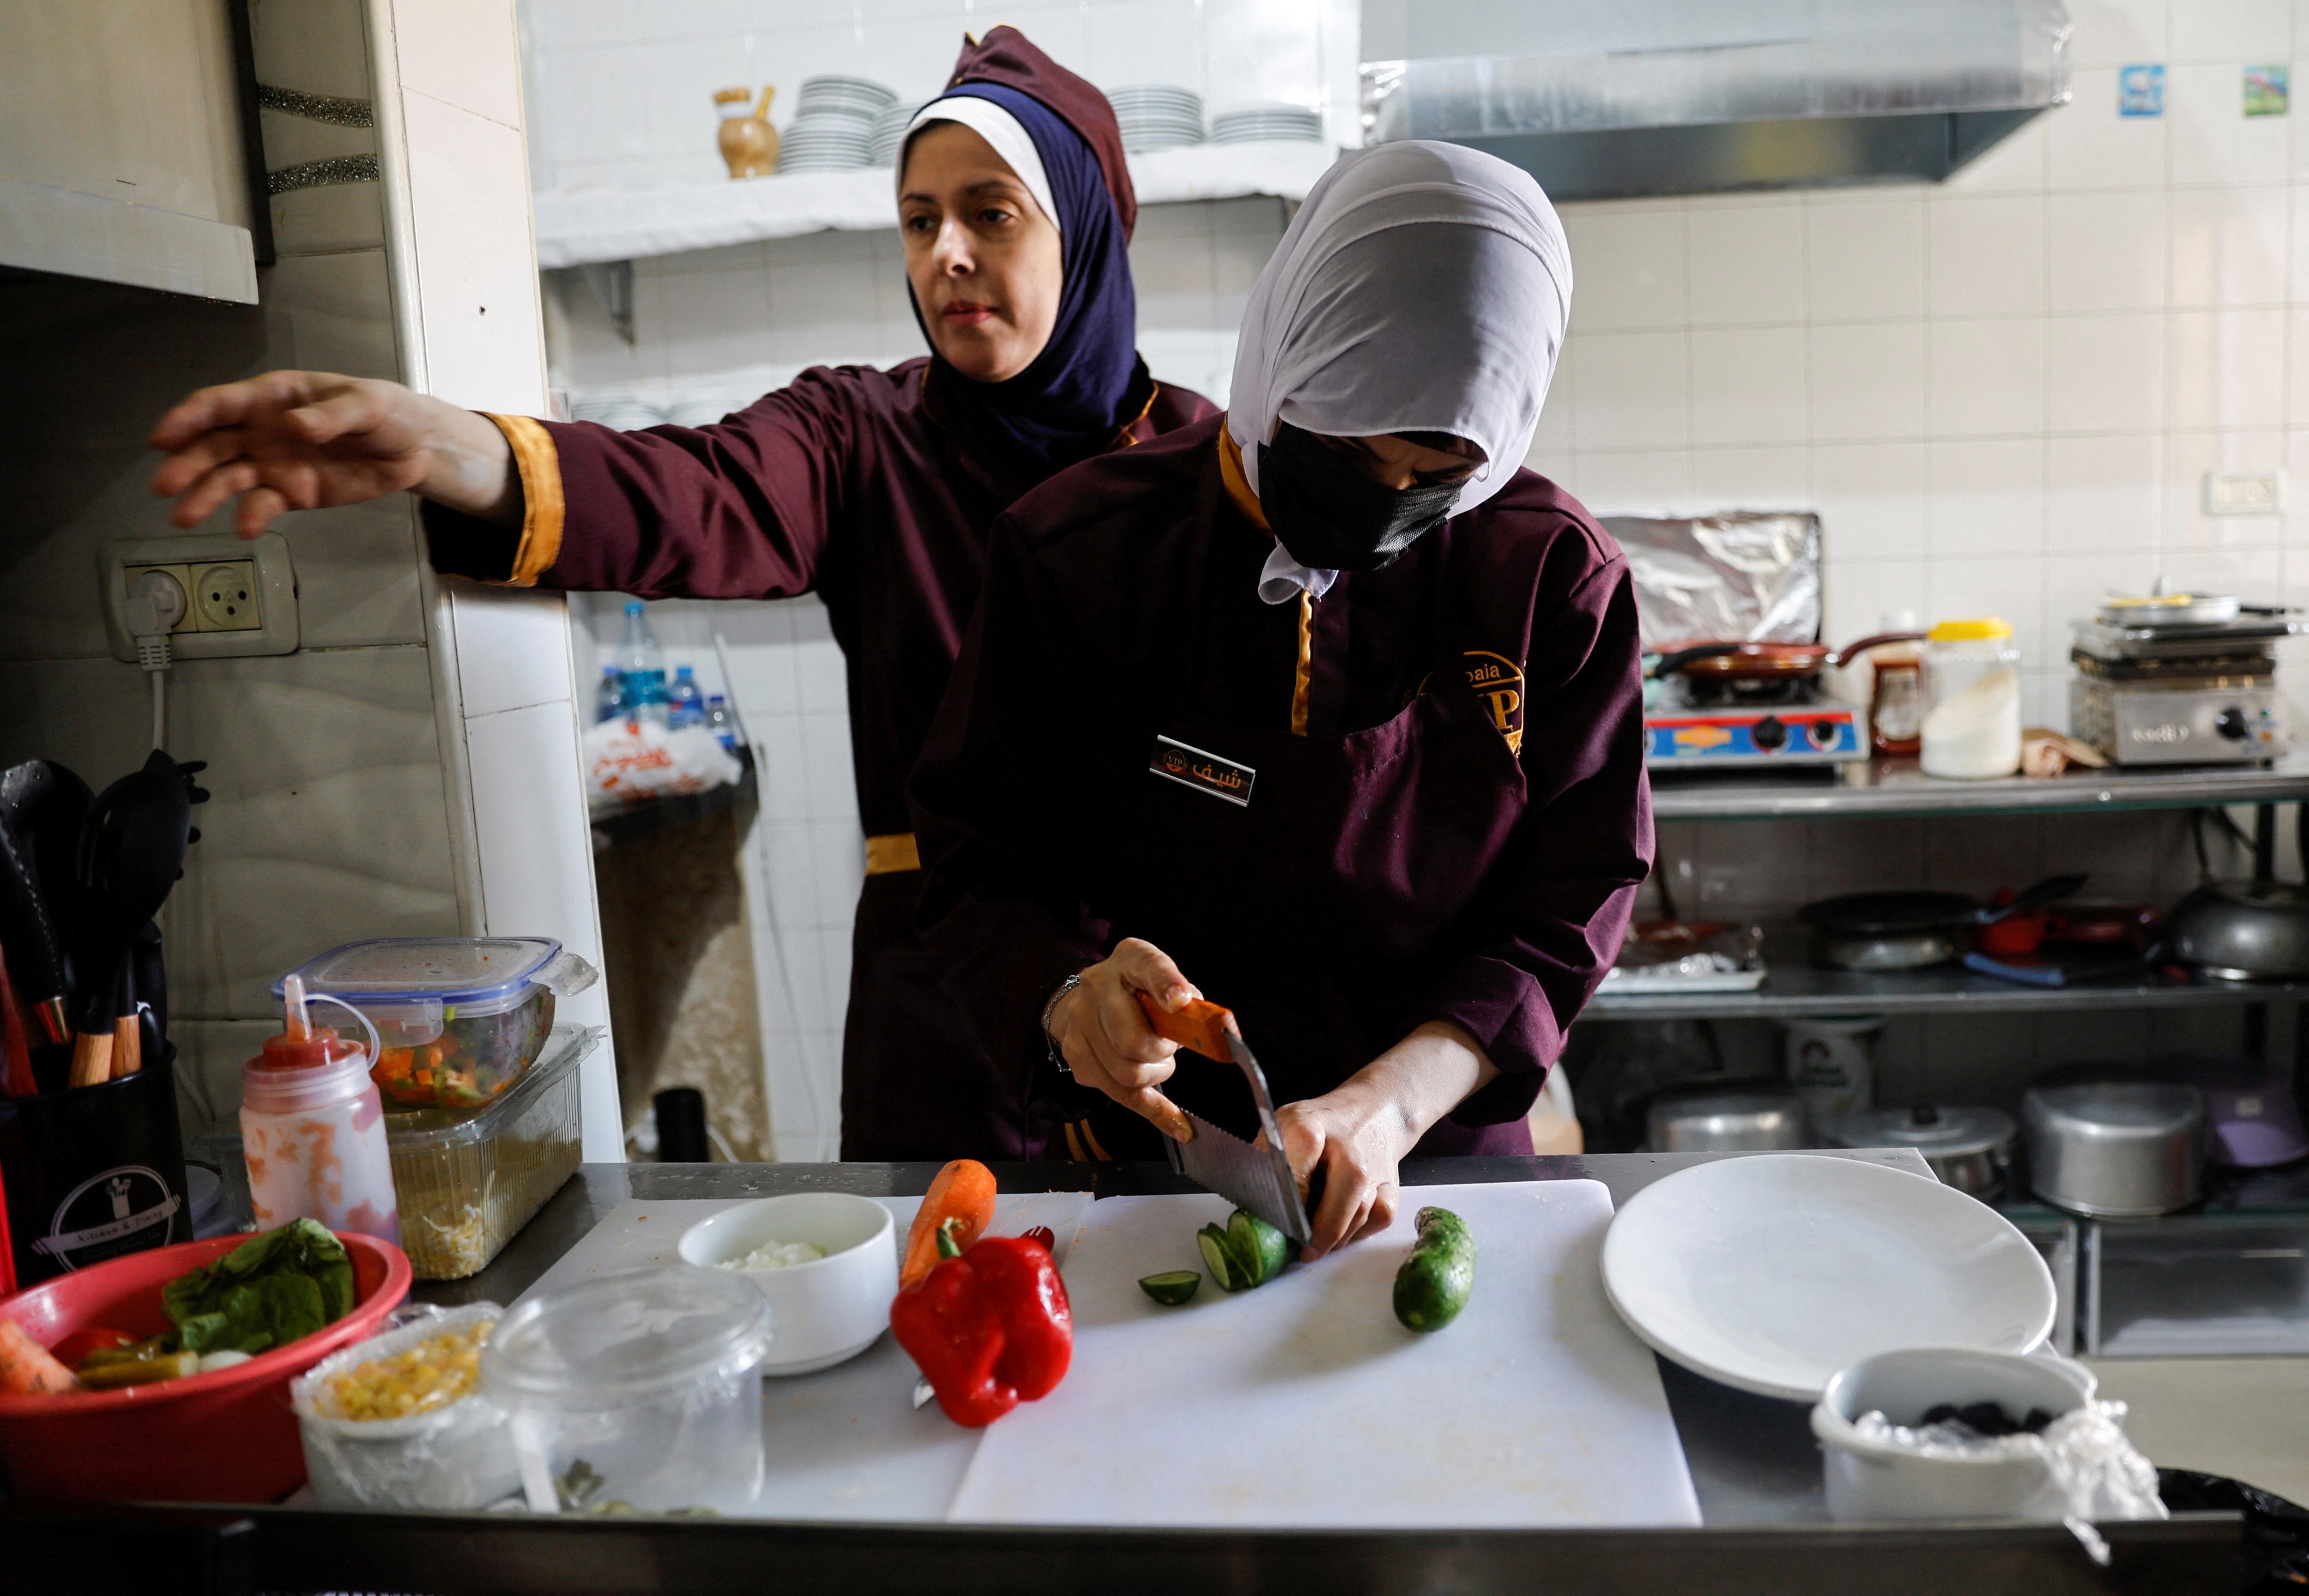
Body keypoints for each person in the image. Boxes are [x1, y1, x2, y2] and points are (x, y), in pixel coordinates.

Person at [145, 28, 1215, 1162]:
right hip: (941, 997)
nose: (944, 252)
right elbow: (695, 490)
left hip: (1169, 981)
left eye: (990, 213)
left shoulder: (1203, 467)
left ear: (1087, 229)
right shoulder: (866, 435)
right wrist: (448, 446)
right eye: (917, 219)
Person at [910, 141, 1649, 1257]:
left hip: (1434, 1165)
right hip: (1148, 1164)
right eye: (1355, 453)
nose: (1388, 502)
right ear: (1282, 359)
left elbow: (1571, 903)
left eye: (1437, 473)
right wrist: (1070, 1004)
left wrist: (1388, 1106)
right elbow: (980, 863)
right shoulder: (1079, 555)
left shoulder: (1546, 578)